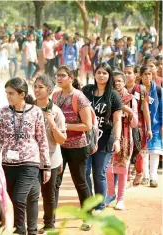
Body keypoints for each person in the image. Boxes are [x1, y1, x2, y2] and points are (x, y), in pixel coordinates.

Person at [0, 77, 51, 235]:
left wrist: (46, 166)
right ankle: (31, 230)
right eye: (6, 93)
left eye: (11, 93)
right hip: (8, 164)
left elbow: (42, 139)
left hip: (29, 163)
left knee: (18, 199)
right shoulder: (4, 111)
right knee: (14, 200)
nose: (8, 96)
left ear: (22, 94)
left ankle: (20, 231)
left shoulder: (36, 112)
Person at [53, 65, 93, 231]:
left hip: (77, 147)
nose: (59, 78)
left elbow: (87, 125)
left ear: (71, 77)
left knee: (80, 182)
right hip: (59, 146)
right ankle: (50, 220)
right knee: (54, 182)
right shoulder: (55, 96)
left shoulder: (79, 97)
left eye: (63, 75)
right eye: (57, 75)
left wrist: (64, 125)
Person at [82, 62, 122, 213]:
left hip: (105, 139)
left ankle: (99, 205)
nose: (101, 75)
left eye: (105, 73)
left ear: (109, 76)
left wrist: (117, 140)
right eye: (99, 72)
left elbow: (117, 120)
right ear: (94, 74)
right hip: (86, 138)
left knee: (98, 173)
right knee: (84, 172)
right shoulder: (86, 91)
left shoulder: (113, 95)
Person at [33, 75, 67, 233]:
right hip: (31, 159)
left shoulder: (56, 112)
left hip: (51, 160)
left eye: (41, 87)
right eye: (35, 86)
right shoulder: (28, 109)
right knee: (31, 194)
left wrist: (52, 124)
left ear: (49, 90)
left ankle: (49, 224)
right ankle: (31, 225)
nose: (37, 90)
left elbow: (62, 140)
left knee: (48, 194)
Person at [106, 70, 138, 210]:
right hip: (108, 136)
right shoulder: (107, 97)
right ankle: (111, 193)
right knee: (107, 168)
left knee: (123, 169)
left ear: (124, 82)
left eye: (119, 80)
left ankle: (121, 199)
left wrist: (129, 111)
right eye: (114, 80)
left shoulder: (131, 99)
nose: (117, 83)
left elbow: (135, 124)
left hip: (125, 138)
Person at [124, 65, 152, 185]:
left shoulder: (141, 89)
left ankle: (139, 172)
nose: (126, 75)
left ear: (135, 75)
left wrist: (149, 128)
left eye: (129, 72)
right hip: (124, 125)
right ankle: (126, 175)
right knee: (124, 150)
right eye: (124, 72)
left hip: (139, 125)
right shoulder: (119, 88)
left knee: (139, 150)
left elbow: (145, 110)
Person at [139, 66, 163, 187]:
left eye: (149, 74)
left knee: (155, 152)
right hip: (140, 126)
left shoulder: (158, 90)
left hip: (156, 125)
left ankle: (153, 177)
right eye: (145, 74)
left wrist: (162, 124)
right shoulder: (138, 90)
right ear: (141, 76)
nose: (147, 76)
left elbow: (162, 108)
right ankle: (145, 175)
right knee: (144, 152)